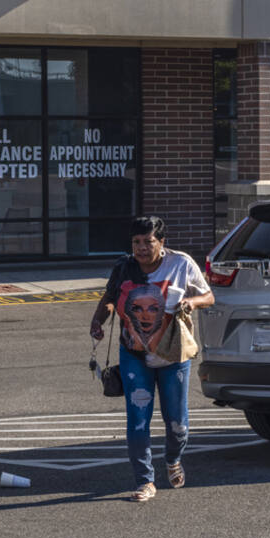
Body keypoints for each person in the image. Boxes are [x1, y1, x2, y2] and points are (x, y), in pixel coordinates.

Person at [88, 215, 215, 502]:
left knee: (177, 423)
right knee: (137, 420)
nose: (142, 248)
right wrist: (99, 321)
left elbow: (209, 296)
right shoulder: (124, 267)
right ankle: (145, 481)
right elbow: (109, 298)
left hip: (173, 355)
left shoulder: (181, 263)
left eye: (149, 242)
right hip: (134, 354)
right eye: (136, 242)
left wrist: (191, 302)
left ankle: (172, 459)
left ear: (162, 242)